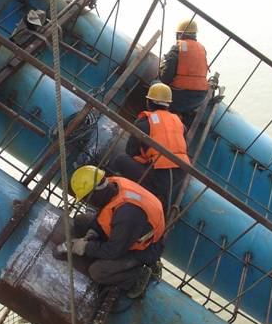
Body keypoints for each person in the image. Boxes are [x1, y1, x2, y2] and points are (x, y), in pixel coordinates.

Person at [65, 165, 165, 299]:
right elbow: (106, 211)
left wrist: (86, 247)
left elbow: (114, 251)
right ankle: (96, 242)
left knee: (98, 272)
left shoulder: (127, 214)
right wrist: (94, 230)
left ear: (94, 192)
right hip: (128, 229)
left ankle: (136, 276)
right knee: (81, 221)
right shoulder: (112, 184)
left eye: (87, 199)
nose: (87, 203)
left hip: (142, 249)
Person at [110, 83, 190, 213]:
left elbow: (130, 151)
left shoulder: (144, 123)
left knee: (120, 159)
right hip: (180, 173)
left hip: (159, 178)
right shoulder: (179, 122)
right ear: (168, 104)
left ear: (149, 102)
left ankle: (129, 193)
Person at [159, 19, 209, 126]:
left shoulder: (178, 48)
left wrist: (163, 65)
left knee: (155, 84)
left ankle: (161, 117)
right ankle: (183, 116)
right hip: (199, 98)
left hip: (181, 96)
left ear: (179, 34)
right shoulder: (202, 48)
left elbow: (165, 78)